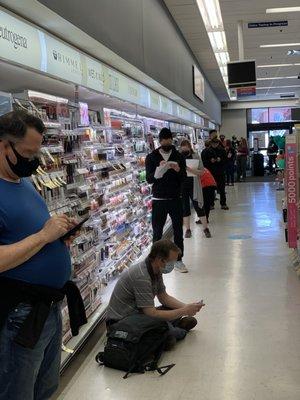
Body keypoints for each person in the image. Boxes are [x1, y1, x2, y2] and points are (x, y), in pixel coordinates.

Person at [0, 111, 81, 400]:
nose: (34, 160)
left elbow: (30, 234)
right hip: (19, 315)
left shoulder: (23, 183)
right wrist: (43, 237)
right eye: (27, 152)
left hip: (48, 309)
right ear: (3, 146)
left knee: (45, 389)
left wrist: (58, 237)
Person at [106, 239, 205, 346]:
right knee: (171, 337)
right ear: (160, 259)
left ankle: (168, 326)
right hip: (122, 322)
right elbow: (151, 313)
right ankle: (174, 328)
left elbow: (163, 297)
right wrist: (183, 311)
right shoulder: (142, 276)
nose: (173, 265)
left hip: (139, 313)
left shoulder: (155, 269)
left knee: (171, 311)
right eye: (171, 262)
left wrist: (187, 307)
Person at [146, 128, 188, 273]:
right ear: (160, 141)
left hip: (175, 198)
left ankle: (179, 260)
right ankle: (154, 262)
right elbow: (149, 179)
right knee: (157, 232)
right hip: (158, 199)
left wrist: (178, 170)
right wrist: (158, 171)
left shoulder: (178, 155)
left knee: (178, 231)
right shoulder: (152, 157)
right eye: (165, 142)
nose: (167, 144)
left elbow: (184, 177)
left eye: (169, 142)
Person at [180, 140, 211, 239]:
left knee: (199, 207)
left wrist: (190, 170)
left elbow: (202, 172)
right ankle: (188, 229)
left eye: (186, 147)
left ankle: (206, 228)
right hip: (182, 186)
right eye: (182, 148)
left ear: (189, 147)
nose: (184, 150)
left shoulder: (196, 156)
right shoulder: (178, 157)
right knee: (185, 209)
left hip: (194, 185)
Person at [201, 137, 229, 210]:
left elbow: (226, 160)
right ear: (211, 143)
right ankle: (211, 204)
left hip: (220, 172)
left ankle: (223, 204)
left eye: (216, 143)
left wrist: (220, 160)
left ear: (218, 143)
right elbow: (203, 162)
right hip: (210, 173)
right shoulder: (206, 151)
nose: (215, 145)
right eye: (213, 143)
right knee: (210, 189)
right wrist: (210, 161)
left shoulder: (222, 150)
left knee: (222, 189)